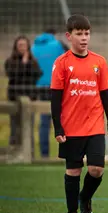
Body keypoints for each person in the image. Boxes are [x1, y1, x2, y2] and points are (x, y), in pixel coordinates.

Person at [50, 14, 108, 213]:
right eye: (79, 34)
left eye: (87, 33)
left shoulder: (99, 62)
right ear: (69, 36)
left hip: (95, 125)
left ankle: (85, 198)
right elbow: (55, 99)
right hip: (71, 127)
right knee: (73, 171)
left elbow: (106, 95)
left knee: (96, 169)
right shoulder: (61, 63)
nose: (84, 38)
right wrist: (58, 127)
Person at [31, 28, 68, 158]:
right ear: (54, 34)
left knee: (44, 121)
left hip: (39, 87)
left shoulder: (33, 47)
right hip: (57, 86)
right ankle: (66, 152)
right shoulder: (58, 45)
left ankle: (44, 154)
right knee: (64, 120)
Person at [4, 36, 42, 148]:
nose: (22, 47)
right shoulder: (10, 61)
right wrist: (23, 63)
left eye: (24, 45)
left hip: (29, 97)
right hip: (15, 98)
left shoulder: (33, 61)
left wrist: (27, 63)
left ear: (28, 47)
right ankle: (14, 152)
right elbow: (13, 75)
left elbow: (37, 75)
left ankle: (29, 152)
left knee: (28, 127)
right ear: (16, 46)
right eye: (20, 45)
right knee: (15, 127)